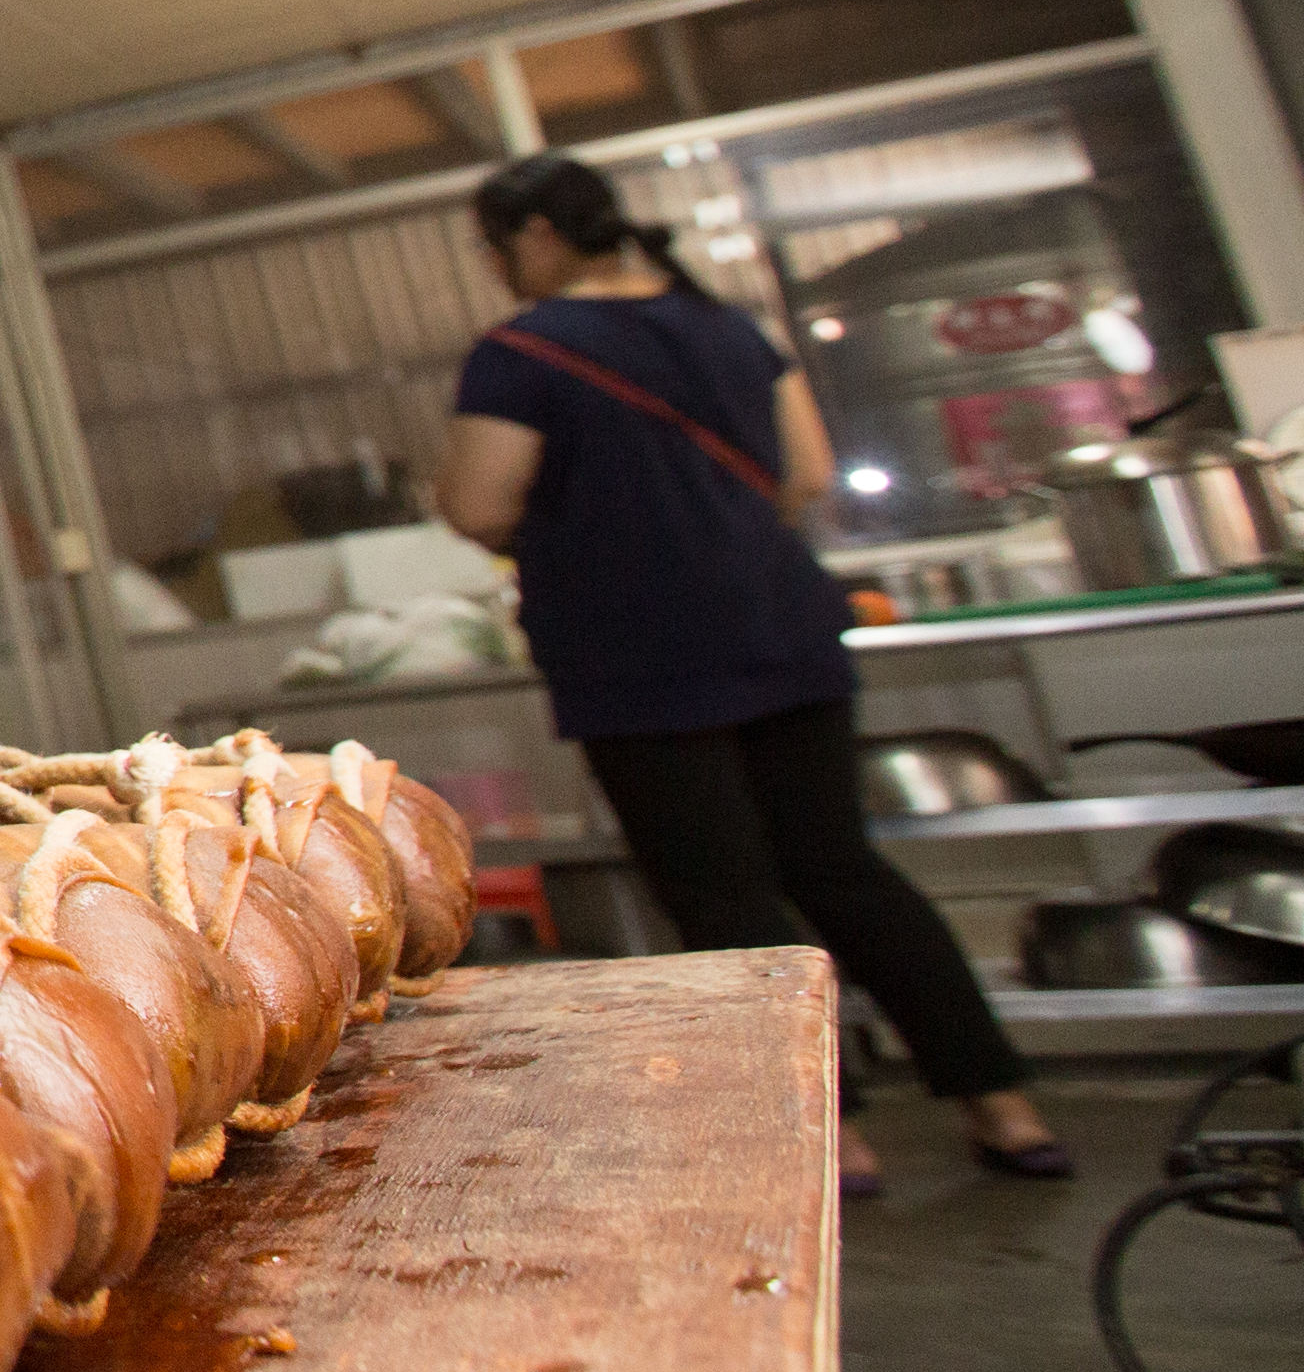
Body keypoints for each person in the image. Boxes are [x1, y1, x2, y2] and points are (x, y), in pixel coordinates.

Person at [433, 152, 1062, 1193]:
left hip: (641, 653)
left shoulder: (521, 351)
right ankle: (1004, 1106)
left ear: (539, 236)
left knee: (724, 898)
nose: (500, 268)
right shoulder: (730, 328)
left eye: (496, 248)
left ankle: (830, 1139)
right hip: (784, 623)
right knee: (843, 870)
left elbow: (479, 505)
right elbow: (804, 476)